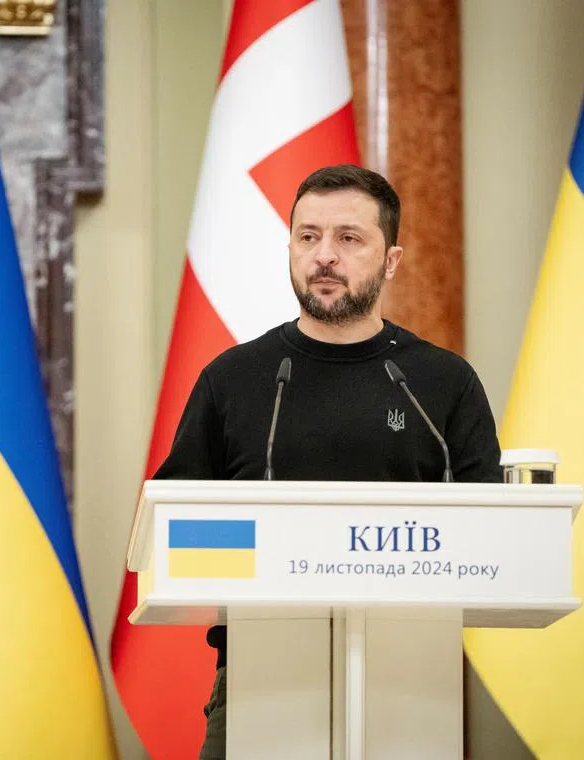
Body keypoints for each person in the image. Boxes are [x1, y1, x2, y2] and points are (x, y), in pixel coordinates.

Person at [151, 164, 502, 759]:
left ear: (390, 260)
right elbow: (173, 532)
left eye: (349, 238)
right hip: (257, 672)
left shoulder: (441, 383)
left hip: (414, 680)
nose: (324, 256)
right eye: (308, 236)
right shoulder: (233, 380)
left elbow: (493, 537)